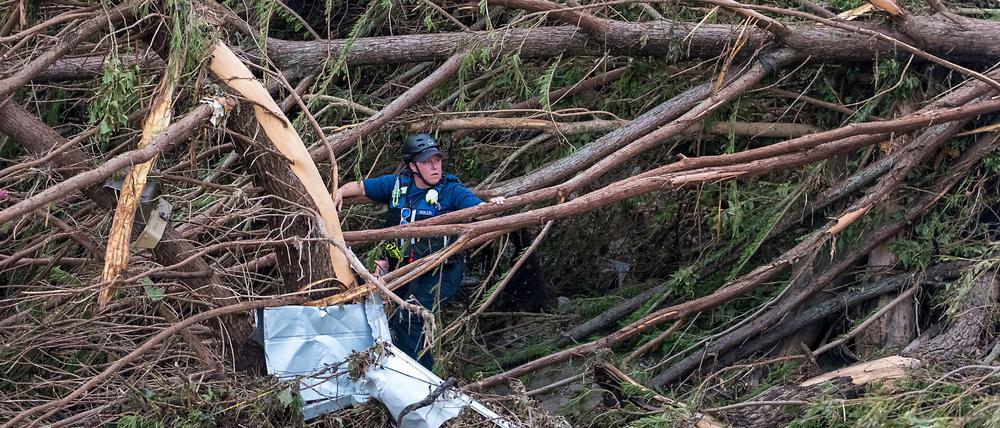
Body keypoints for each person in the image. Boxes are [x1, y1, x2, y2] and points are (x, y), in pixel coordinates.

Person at [334, 133, 505, 369]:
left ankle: (423, 377)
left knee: (411, 317)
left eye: (437, 160)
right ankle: (403, 370)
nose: (435, 167)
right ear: (413, 166)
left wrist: (493, 207)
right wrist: (340, 192)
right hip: (404, 266)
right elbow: (360, 186)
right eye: (427, 162)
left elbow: (479, 210)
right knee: (393, 318)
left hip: (440, 269)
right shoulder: (397, 184)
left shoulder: (451, 190)